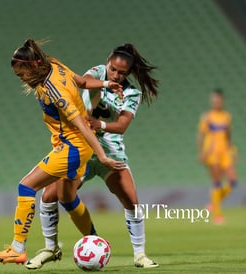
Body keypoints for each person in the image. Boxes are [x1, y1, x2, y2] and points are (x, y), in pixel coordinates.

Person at [0, 39, 126, 265]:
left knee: (26, 186)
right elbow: (81, 81)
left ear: (32, 67)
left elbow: (81, 123)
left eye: (22, 75)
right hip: (77, 146)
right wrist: (106, 84)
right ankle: (95, 241)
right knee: (68, 198)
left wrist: (102, 156)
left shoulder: (54, 90)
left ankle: (17, 248)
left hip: (72, 148)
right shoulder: (55, 66)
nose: (22, 80)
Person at [24, 43, 160, 270]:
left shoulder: (131, 93)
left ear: (129, 73)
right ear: (108, 62)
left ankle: (140, 255)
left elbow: (122, 125)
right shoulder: (98, 73)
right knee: (49, 196)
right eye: (113, 69)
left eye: (122, 73)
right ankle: (51, 248)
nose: (116, 74)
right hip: (82, 148)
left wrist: (100, 124)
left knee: (131, 201)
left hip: (111, 152)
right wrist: (105, 84)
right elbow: (83, 81)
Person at [197, 89, 238, 224]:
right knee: (217, 182)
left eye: (218, 100)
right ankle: (217, 215)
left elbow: (228, 136)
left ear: (222, 101)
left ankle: (213, 204)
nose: (216, 102)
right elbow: (201, 136)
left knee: (232, 181)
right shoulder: (207, 117)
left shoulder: (226, 116)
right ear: (212, 101)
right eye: (214, 100)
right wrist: (201, 152)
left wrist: (234, 150)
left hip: (225, 152)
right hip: (212, 152)